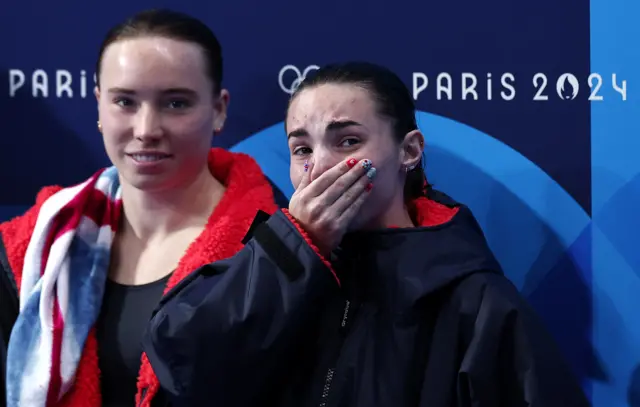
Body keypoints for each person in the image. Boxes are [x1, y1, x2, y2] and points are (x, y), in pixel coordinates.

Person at [142, 62, 592, 407]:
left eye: (348, 142)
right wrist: (297, 244)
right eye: (302, 149)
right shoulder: (267, 261)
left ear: (409, 151)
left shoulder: (475, 300)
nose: (319, 167)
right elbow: (180, 366)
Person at [0, 9, 279, 407]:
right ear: (99, 105)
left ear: (219, 109)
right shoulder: (36, 247)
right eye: (125, 101)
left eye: (176, 103)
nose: (146, 129)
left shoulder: (273, 245)